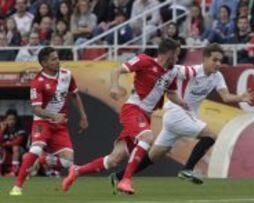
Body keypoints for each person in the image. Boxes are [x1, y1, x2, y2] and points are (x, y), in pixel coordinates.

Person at [109, 43, 254, 192]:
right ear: (204, 59)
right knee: (211, 135)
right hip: (177, 113)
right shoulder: (190, 71)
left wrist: (240, 97)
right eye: (214, 60)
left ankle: (118, 176)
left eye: (220, 61)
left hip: (182, 117)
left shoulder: (217, 77)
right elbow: (166, 68)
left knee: (154, 155)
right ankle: (188, 169)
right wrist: (148, 77)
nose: (218, 64)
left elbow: (225, 96)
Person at [62, 38, 187, 195]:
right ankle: (126, 180)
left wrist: (183, 103)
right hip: (133, 109)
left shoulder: (172, 72)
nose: (177, 58)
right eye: (176, 54)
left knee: (114, 159)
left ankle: (77, 171)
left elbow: (172, 93)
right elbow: (117, 70)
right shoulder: (144, 60)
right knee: (147, 138)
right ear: (169, 53)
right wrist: (114, 86)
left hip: (145, 116)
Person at [9, 47, 89, 196]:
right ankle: (17, 186)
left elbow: (74, 95)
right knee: (36, 149)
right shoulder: (37, 82)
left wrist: (83, 117)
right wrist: (53, 116)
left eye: (57, 58)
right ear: (44, 63)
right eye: (53, 59)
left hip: (60, 126)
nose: (57, 61)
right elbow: (37, 110)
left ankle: (44, 160)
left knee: (68, 162)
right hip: (42, 122)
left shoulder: (67, 75)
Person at [0, 109, 27, 176]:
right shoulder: (4, 129)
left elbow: (18, 141)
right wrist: (2, 130)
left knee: (15, 147)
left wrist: (5, 144)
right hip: (7, 151)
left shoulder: (20, 128)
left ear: (16, 120)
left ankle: (15, 170)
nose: (11, 122)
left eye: (13, 119)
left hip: (21, 151)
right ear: (6, 120)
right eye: (9, 119)